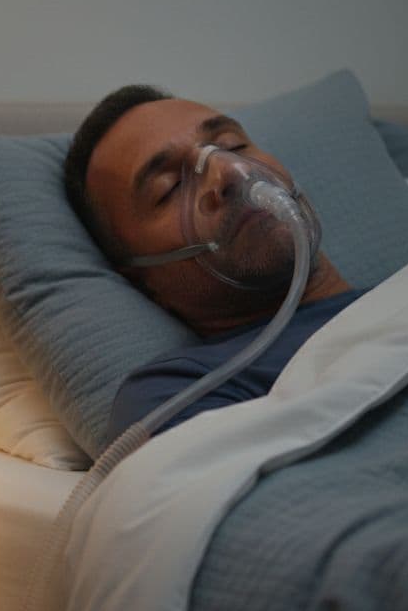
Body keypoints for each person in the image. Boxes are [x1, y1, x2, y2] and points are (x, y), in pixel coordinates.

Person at [63, 84, 364, 441]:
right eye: (170, 187)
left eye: (233, 146)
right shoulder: (180, 393)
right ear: (144, 280)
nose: (232, 173)